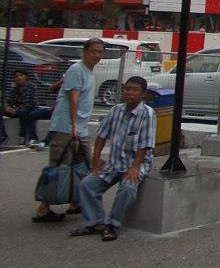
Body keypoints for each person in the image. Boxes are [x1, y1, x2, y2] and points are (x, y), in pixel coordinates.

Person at [70, 77, 155, 241]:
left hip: (136, 163)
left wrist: (135, 167)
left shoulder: (148, 114)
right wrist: (96, 158)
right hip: (114, 162)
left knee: (128, 188)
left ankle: (112, 224)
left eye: (134, 90)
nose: (129, 93)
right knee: (87, 185)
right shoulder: (116, 110)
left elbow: (145, 144)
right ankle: (96, 222)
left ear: (143, 94)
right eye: (127, 89)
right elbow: (102, 135)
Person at [34, 38, 103, 222]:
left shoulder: (86, 71)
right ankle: (43, 208)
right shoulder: (77, 69)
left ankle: (76, 202)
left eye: (99, 52)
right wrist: (73, 126)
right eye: (93, 51)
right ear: (84, 51)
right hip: (67, 127)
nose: (96, 55)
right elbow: (73, 98)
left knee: (82, 166)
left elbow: (65, 84)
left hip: (79, 128)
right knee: (58, 167)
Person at [3, 69, 51, 147]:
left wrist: (16, 110)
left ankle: (22, 136)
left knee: (23, 111)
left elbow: (32, 102)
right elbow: (9, 101)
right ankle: (2, 134)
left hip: (29, 109)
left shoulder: (32, 87)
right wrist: (7, 107)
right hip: (15, 110)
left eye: (21, 75)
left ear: (26, 77)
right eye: (16, 76)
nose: (19, 78)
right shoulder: (14, 89)